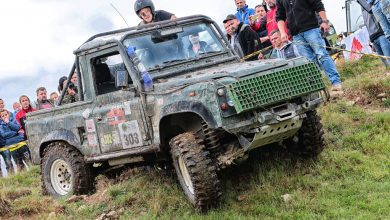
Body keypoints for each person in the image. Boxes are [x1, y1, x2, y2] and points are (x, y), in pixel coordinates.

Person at [276, 0, 343, 94]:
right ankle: (320, 91)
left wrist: (324, 21)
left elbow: (318, 4)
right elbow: (279, 16)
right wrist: (282, 32)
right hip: (296, 34)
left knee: (322, 55)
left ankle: (336, 83)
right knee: (309, 62)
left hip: (312, 29)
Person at [358, 0, 390, 66]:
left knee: (388, 62)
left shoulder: (368, 5)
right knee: (386, 65)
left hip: (381, 34)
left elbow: (370, 10)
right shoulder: (363, 6)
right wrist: (370, 39)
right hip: (373, 37)